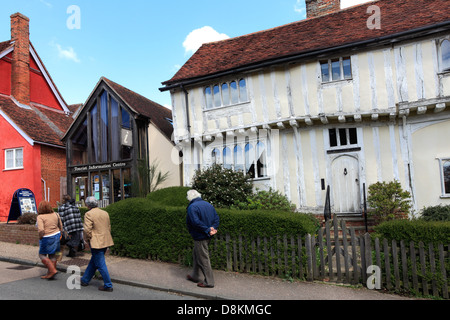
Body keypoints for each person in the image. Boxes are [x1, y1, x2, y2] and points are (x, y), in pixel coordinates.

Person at [186, 190, 219, 288]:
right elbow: (216, 218)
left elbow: (195, 222)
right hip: (208, 235)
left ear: (189, 198)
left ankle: (209, 282)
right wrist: (213, 228)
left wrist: (207, 229)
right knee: (196, 254)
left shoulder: (192, 207)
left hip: (200, 236)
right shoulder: (208, 204)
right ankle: (195, 276)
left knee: (203, 259)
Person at [80, 196, 115, 292]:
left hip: (96, 241)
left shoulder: (88, 214)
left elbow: (87, 230)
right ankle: (85, 280)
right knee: (94, 261)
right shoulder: (105, 213)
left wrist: (87, 239)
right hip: (105, 240)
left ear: (87, 205)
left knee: (100, 264)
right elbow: (109, 227)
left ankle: (108, 285)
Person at [37, 200, 62, 280]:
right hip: (57, 235)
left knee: (42, 255)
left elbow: (41, 230)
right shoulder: (56, 214)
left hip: (47, 237)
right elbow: (60, 225)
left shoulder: (40, 217)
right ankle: (50, 273)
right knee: (53, 255)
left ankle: (52, 270)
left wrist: (40, 237)